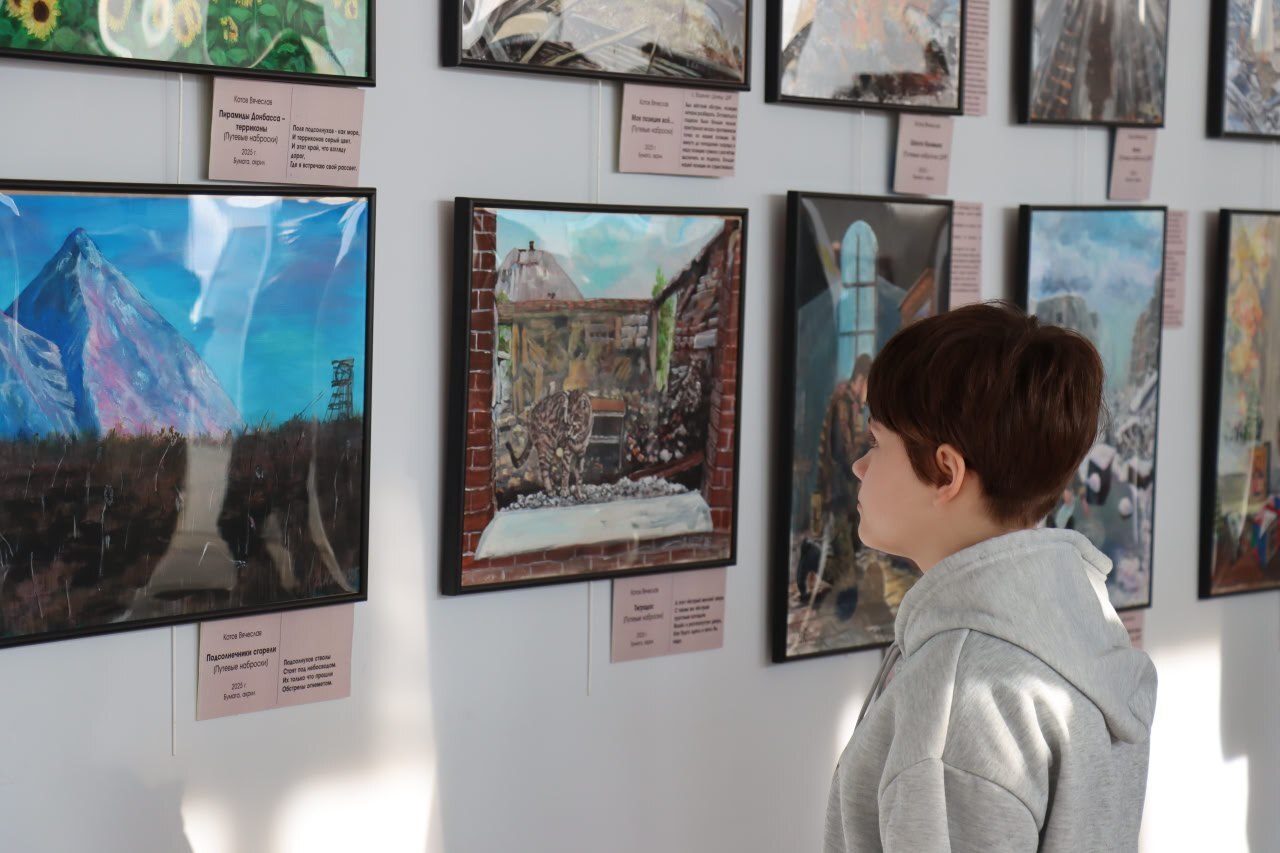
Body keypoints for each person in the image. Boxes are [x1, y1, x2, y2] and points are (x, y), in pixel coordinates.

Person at [825, 302, 1157, 852]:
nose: (860, 466)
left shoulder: (959, 699)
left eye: (878, 444)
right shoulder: (1079, 622)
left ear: (946, 473)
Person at [812, 353, 872, 619]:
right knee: (847, 565)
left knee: (855, 550)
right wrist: (869, 440)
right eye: (870, 384)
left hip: (848, 493)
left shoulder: (853, 405)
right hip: (837, 492)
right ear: (860, 379)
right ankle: (813, 560)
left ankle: (843, 597)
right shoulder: (842, 404)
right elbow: (844, 454)